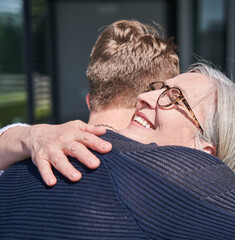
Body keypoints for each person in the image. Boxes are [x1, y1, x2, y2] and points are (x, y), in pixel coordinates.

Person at [0, 63, 235, 239]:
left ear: (204, 153)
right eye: (156, 88)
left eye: (174, 98)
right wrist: (29, 135)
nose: (145, 98)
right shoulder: (76, 146)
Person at [0, 19, 180, 186]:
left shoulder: (25, 167)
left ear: (89, 101)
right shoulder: (164, 180)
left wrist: (28, 135)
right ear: (150, 104)